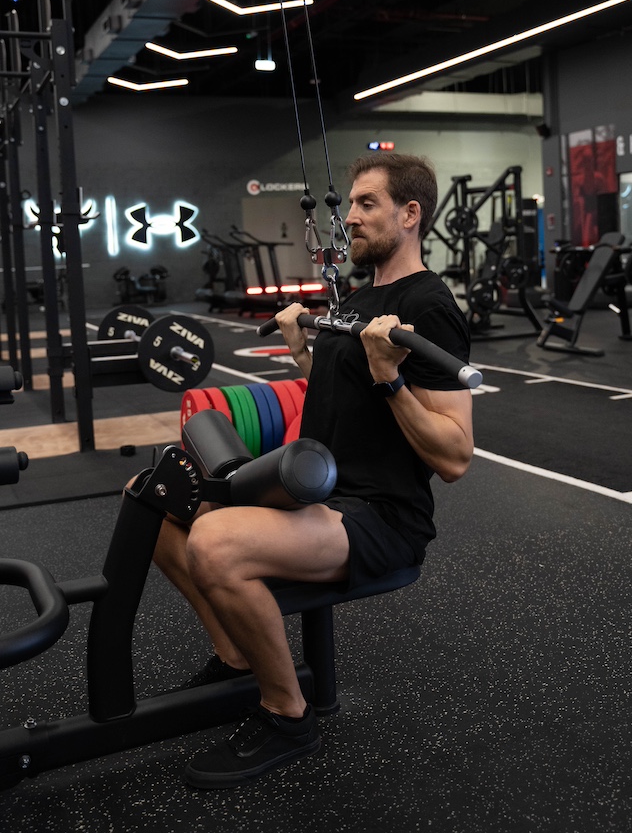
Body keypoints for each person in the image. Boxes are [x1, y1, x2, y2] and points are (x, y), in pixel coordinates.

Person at [154, 153, 474, 789]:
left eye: (366, 205)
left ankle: (288, 714)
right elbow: (342, 399)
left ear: (411, 215)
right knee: (160, 501)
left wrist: (391, 378)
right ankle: (239, 657)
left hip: (378, 514)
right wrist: (306, 352)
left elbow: (455, 456)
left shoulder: (429, 306)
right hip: (322, 489)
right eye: (350, 204)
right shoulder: (360, 297)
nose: (348, 217)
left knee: (216, 544)